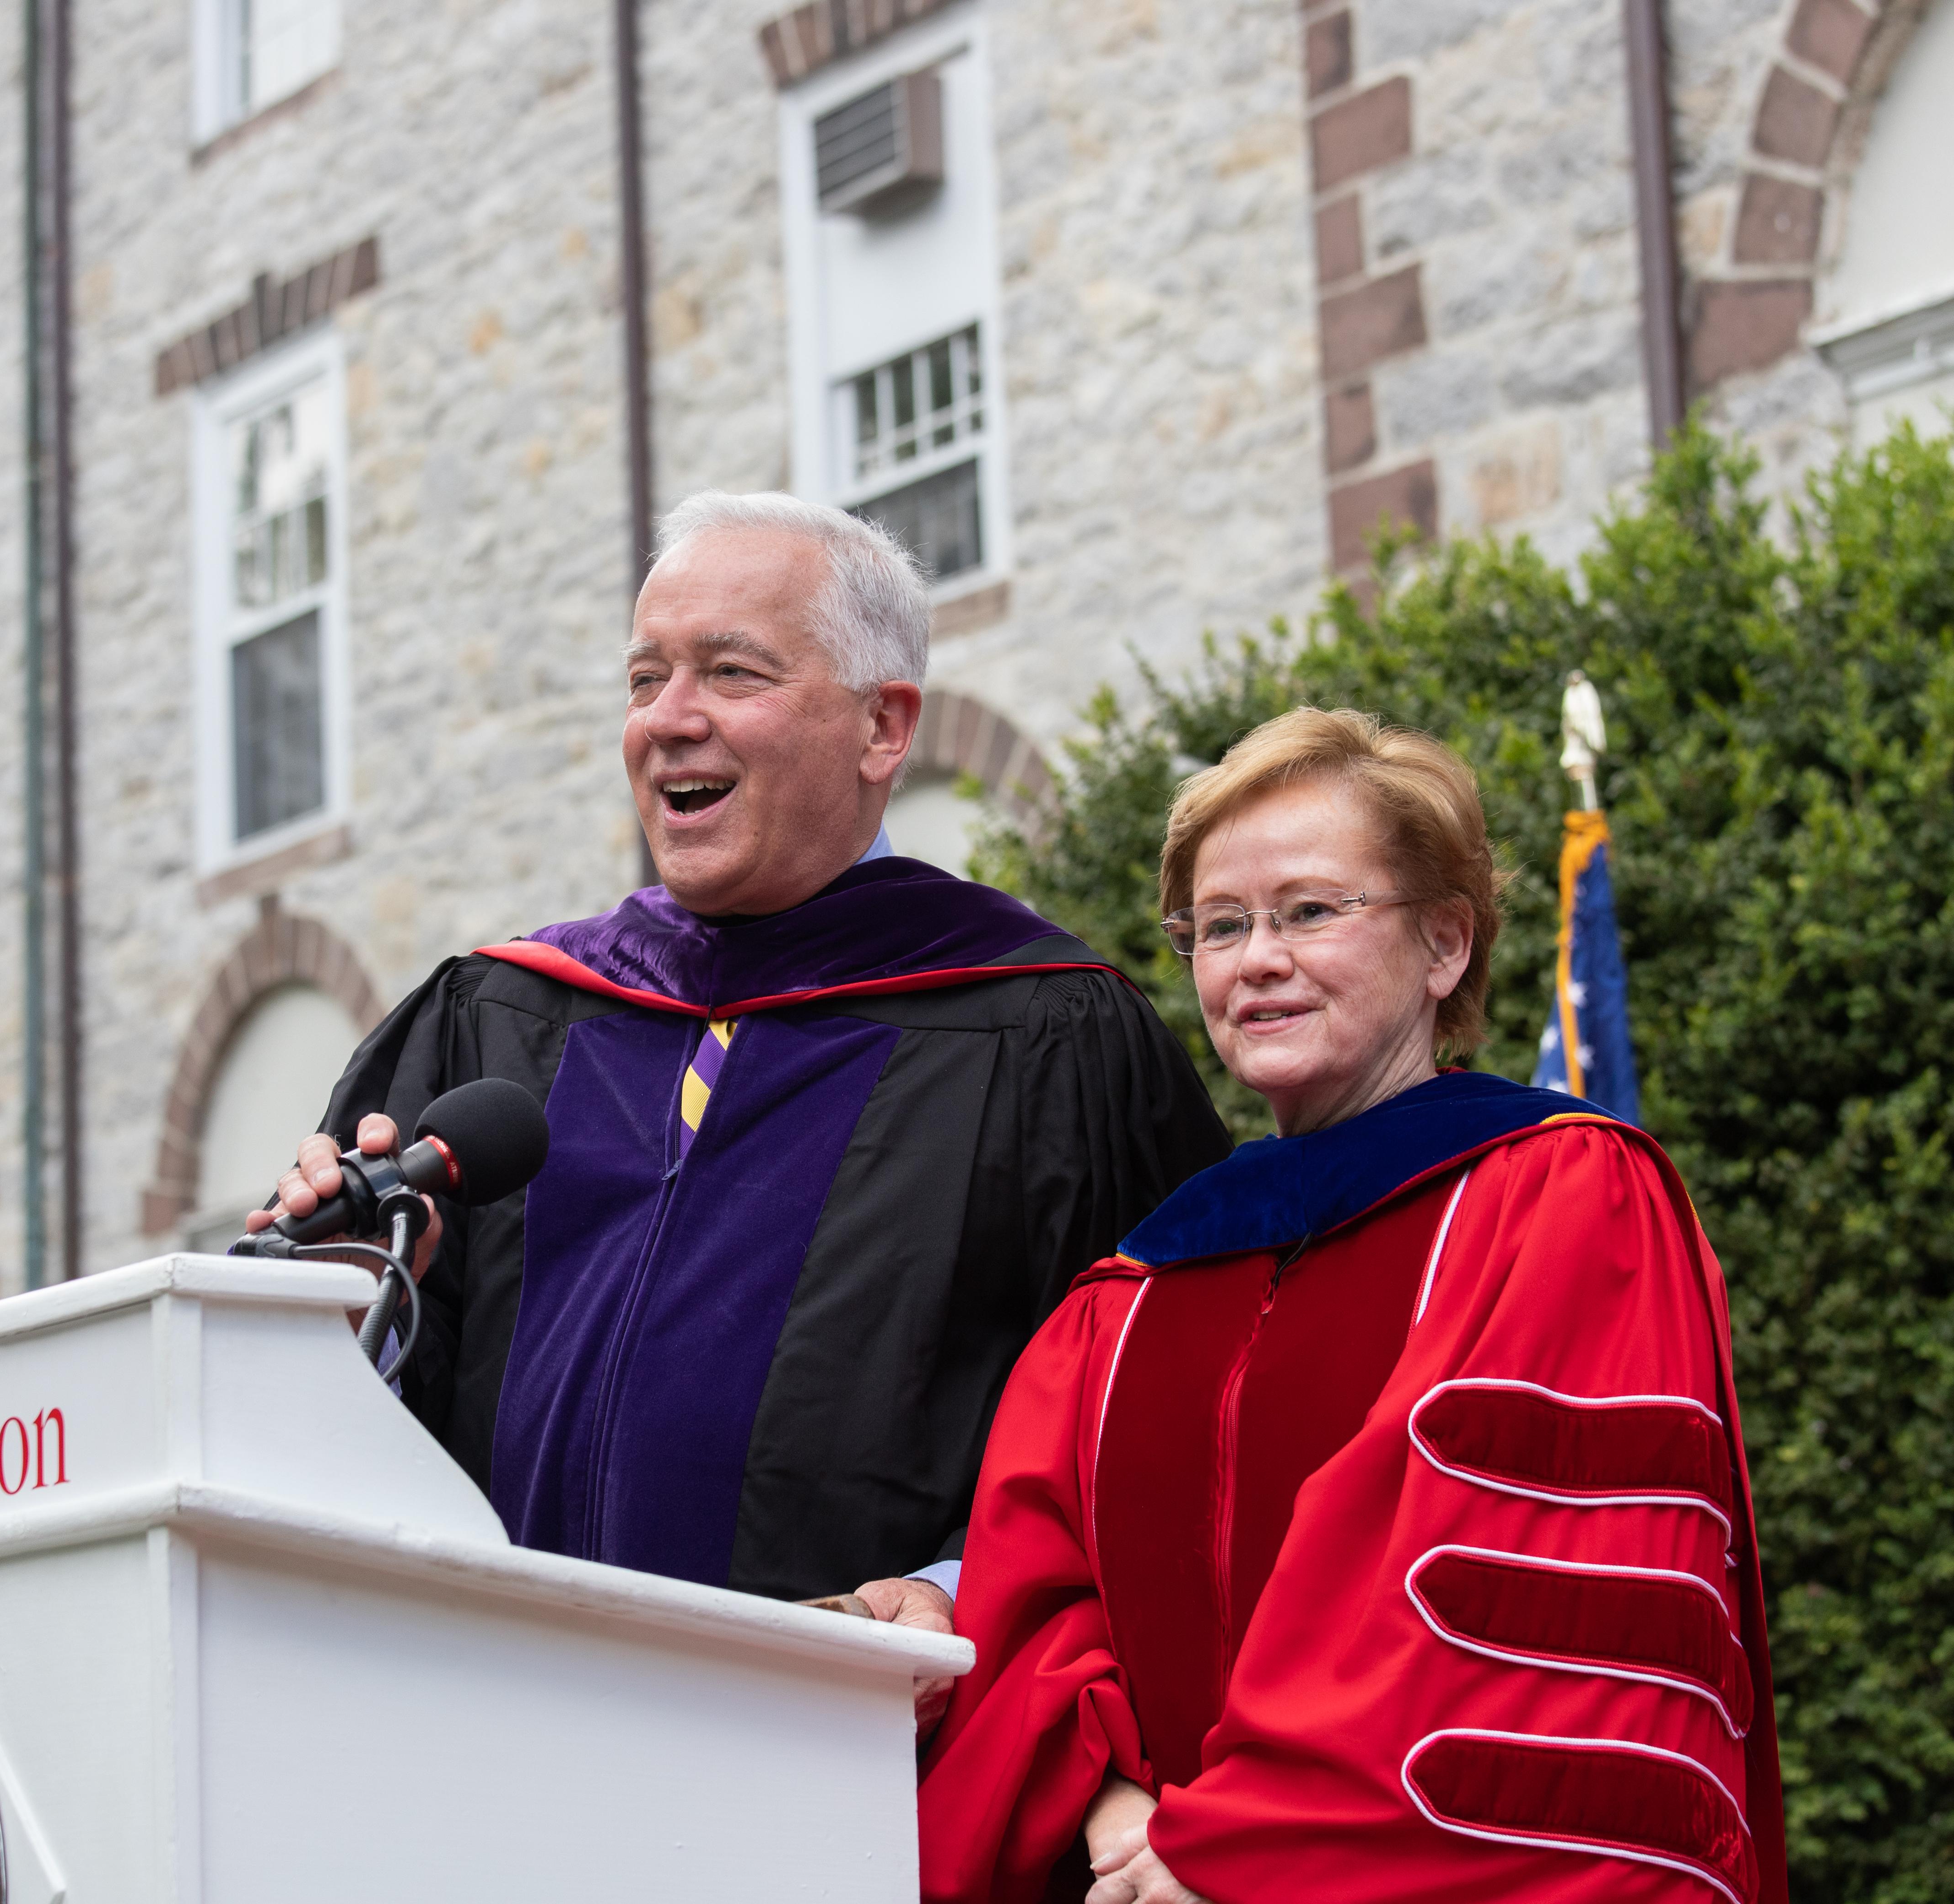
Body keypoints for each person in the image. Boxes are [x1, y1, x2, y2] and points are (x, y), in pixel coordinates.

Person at [250, 491, 1231, 1648]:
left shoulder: (1042, 1039)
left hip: (865, 1758)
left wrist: (960, 1583)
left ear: (882, 727)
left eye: (731, 673)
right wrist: (351, 1317)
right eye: (644, 678)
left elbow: (1157, 1445)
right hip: (499, 1722)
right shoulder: (503, 1018)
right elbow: (334, 1449)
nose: (669, 719)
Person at [916, 708, 1787, 1904]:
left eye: (1311, 912)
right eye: (1219, 927)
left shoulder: (1564, 1198)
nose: (1255, 959)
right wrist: (1108, 1807)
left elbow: (1487, 1589)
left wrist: (1234, 1846)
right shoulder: (1132, 1297)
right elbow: (1040, 1605)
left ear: (1443, 946)